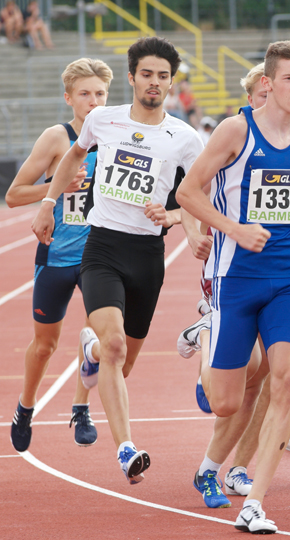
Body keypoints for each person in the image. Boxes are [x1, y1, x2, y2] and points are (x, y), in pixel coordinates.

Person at [176, 39, 290, 534]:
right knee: (226, 402)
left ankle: (254, 504)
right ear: (267, 82)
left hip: (289, 277)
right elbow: (188, 191)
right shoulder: (236, 130)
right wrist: (233, 229)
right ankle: (205, 333)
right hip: (234, 278)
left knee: (287, 378)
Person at [31, 36, 204, 484]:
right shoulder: (103, 120)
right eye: (146, 74)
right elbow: (74, 155)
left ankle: (88, 359)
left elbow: (203, 196)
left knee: (120, 365)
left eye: (163, 76)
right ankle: (126, 448)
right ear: (131, 77)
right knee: (115, 346)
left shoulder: (185, 138)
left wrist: (170, 214)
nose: (154, 82)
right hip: (103, 247)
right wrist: (49, 201)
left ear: (170, 81)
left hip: (148, 255)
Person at [7, 58, 113, 453]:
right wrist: (57, 188)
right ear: (69, 98)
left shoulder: (120, 138)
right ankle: (26, 406)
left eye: (100, 94)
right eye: (84, 94)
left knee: (101, 333)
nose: (93, 101)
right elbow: (14, 195)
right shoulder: (57, 137)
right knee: (45, 345)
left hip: (99, 256)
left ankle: (80, 406)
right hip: (55, 256)